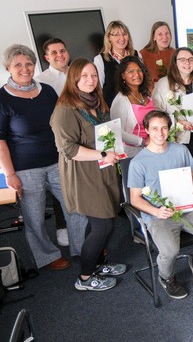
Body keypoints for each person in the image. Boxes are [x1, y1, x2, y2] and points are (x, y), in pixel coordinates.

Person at [0, 44, 86, 270]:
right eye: (18, 64)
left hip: (58, 161)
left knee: (75, 207)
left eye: (29, 63)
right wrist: (10, 174)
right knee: (35, 218)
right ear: (8, 67)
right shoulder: (2, 98)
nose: (25, 68)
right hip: (26, 168)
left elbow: (62, 122)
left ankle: (83, 246)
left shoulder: (47, 90)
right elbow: (0, 141)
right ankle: (48, 256)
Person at [128, 110, 193, 299]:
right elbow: (135, 199)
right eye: (155, 128)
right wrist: (156, 211)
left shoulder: (180, 150)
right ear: (147, 131)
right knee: (170, 250)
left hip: (186, 208)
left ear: (169, 129)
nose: (160, 133)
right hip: (159, 216)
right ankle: (166, 277)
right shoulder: (138, 163)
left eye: (164, 128)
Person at [51, 58, 126, 291]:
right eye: (84, 75)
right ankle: (84, 278)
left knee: (108, 222)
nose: (90, 80)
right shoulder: (65, 109)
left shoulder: (98, 102)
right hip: (84, 174)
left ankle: (98, 265)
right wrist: (103, 153)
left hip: (103, 169)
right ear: (73, 78)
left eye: (93, 75)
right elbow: (69, 150)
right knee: (102, 226)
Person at [152, 47, 193, 186]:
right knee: (191, 153)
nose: (187, 63)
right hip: (179, 133)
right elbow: (156, 114)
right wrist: (177, 122)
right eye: (182, 59)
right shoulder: (164, 84)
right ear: (175, 62)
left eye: (190, 59)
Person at [35, 37, 71, 246]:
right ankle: (62, 226)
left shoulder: (76, 73)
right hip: (58, 139)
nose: (60, 55)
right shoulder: (42, 80)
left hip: (82, 135)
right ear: (47, 57)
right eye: (54, 53)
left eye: (62, 50)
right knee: (62, 184)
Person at [110, 56, 155, 157]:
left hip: (153, 148)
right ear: (123, 76)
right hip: (132, 154)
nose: (136, 74)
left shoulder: (146, 94)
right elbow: (117, 131)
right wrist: (142, 141)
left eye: (139, 70)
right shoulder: (120, 100)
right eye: (131, 71)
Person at [94, 20, 140, 107]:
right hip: (113, 108)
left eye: (124, 34)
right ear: (109, 38)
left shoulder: (136, 55)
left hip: (137, 106)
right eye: (116, 35)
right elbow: (98, 90)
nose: (122, 38)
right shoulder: (100, 60)